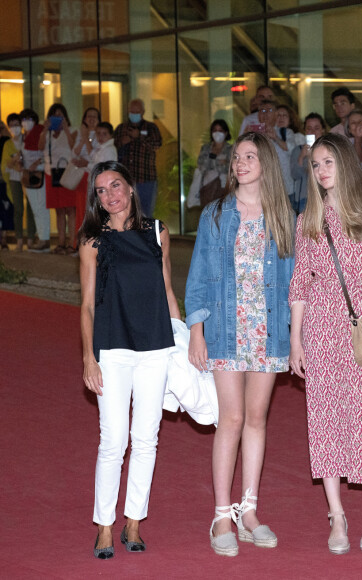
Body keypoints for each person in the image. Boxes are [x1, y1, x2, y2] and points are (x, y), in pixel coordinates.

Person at [289, 133, 362, 555]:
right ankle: (337, 515)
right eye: (315, 165)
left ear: (346, 165)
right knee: (327, 422)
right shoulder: (308, 221)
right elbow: (299, 281)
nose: (321, 171)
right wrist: (295, 340)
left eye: (328, 163)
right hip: (320, 332)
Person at [185, 132, 295, 557]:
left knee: (256, 419)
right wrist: (196, 331)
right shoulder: (215, 214)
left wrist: (295, 336)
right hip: (226, 331)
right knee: (229, 420)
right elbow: (197, 277)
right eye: (236, 157)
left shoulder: (284, 215)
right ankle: (220, 516)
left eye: (250, 156)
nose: (240, 162)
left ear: (266, 163)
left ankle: (249, 512)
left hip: (268, 332)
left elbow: (293, 284)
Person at [79, 160, 181, 560]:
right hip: (113, 347)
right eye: (102, 191)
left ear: (131, 188)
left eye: (116, 185)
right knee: (113, 440)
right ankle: (104, 525)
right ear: (98, 200)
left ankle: (133, 521)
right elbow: (86, 305)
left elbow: (168, 289)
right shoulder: (92, 242)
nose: (110, 195)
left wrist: (183, 343)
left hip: (155, 345)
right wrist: (88, 357)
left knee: (146, 440)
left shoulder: (158, 232)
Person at [39, 103, 79, 254]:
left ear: (65, 117)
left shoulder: (73, 130)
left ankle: (72, 243)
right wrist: (44, 129)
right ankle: (61, 243)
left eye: (60, 115)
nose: (58, 118)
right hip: (51, 173)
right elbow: (40, 147)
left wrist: (66, 129)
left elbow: (73, 147)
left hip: (67, 173)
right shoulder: (47, 133)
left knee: (70, 209)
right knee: (59, 210)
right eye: (55, 116)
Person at [114, 98, 162, 217]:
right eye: (132, 112)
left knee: (145, 213)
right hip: (125, 180)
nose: (134, 115)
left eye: (137, 112)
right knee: (126, 213)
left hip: (146, 179)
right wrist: (122, 143)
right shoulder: (121, 128)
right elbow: (111, 147)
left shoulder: (151, 128)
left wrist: (139, 136)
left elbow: (157, 144)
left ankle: (145, 235)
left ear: (143, 112)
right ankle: (128, 235)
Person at [20, 108, 51, 252]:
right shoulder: (24, 137)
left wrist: (37, 164)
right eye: (24, 120)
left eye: (29, 119)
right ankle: (41, 238)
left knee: (41, 207)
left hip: (39, 175)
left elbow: (45, 153)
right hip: (28, 176)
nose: (26, 122)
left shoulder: (40, 132)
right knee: (35, 209)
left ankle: (45, 240)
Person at [3, 114, 33, 251]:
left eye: (17, 124)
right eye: (12, 125)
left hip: (28, 177)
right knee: (18, 209)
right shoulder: (8, 144)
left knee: (31, 208)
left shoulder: (27, 139)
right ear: (8, 127)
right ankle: (19, 239)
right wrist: (15, 160)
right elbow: (5, 165)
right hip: (14, 179)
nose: (15, 127)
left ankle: (31, 239)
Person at [72, 107, 102, 233]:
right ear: (84, 118)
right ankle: (79, 243)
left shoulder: (100, 134)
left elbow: (93, 155)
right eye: (89, 116)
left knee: (93, 211)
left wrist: (86, 138)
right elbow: (75, 153)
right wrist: (83, 137)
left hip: (93, 175)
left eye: (94, 116)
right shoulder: (80, 133)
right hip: (80, 175)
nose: (91, 119)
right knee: (80, 209)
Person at [290, 112, 326, 213]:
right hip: (304, 198)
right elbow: (295, 175)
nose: (313, 131)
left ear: (323, 130)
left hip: (325, 196)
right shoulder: (298, 150)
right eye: (309, 128)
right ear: (305, 130)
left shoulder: (328, 150)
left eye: (316, 128)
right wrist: (302, 156)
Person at [257, 100, 293, 195]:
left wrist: (275, 138)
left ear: (275, 114)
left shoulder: (285, 132)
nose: (265, 114)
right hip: (262, 190)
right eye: (262, 111)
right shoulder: (253, 134)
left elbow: (291, 149)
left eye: (269, 110)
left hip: (285, 189)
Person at [195, 119, 233, 204]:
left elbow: (231, 168)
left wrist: (212, 162)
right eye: (215, 130)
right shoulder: (205, 148)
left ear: (226, 133)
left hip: (225, 187)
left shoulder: (230, 149)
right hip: (207, 187)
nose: (217, 133)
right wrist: (221, 162)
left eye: (220, 130)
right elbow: (201, 166)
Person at [0, 122, 15, 249]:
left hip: (3, 181)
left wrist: (3, 126)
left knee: (5, 210)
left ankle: (3, 239)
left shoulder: (5, 141)